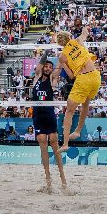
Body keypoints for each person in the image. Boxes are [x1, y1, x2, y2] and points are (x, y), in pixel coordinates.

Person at [30, 60, 70, 194]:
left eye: (50, 67)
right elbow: (40, 64)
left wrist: (62, 58)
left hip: (49, 114)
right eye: (46, 66)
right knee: (43, 144)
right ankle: (48, 181)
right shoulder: (36, 77)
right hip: (38, 115)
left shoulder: (52, 80)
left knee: (54, 144)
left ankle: (63, 178)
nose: (47, 68)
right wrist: (45, 52)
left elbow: (57, 70)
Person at [56, 30, 100, 148]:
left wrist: (66, 63)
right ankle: (78, 131)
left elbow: (71, 76)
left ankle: (65, 144)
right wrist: (85, 29)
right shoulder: (78, 41)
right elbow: (86, 32)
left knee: (69, 111)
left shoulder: (62, 56)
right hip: (96, 77)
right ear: (69, 36)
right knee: (86, 104)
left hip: (83, 79)